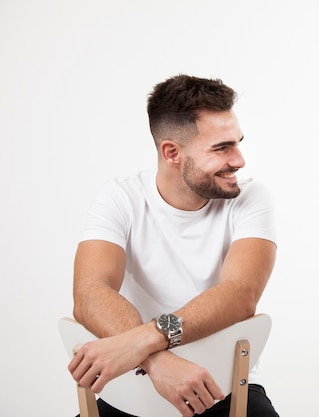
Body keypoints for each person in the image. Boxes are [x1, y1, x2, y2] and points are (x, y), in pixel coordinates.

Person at [68, 74, 279, 417]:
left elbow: (241, 294)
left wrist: (142, 344)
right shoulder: (120, 198)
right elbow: (89, 293)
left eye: (238, 142)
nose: (239, 159)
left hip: (223, 386)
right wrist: (158, 364)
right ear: (171, 153)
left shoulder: (251, 198)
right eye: (221, 148)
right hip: (131, 385)